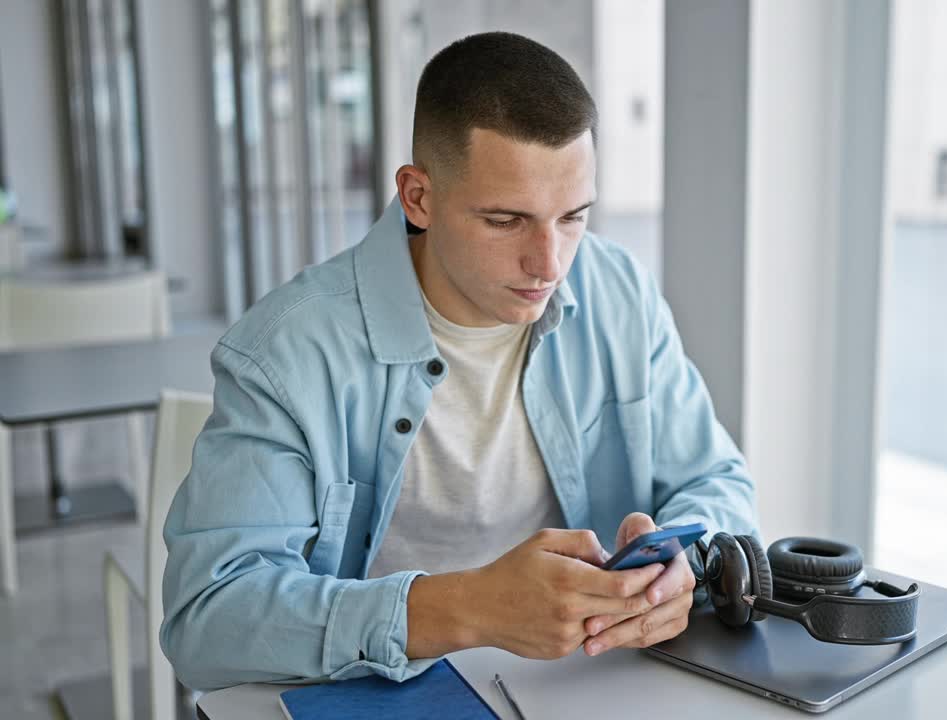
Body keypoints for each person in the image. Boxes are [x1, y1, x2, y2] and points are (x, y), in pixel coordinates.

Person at [161, 31, 756, 691]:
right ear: (418, 197)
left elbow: (718, 482)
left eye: (573, 217)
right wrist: (468, 608)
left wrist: (689, 568)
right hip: (374, 694)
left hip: (579, 687)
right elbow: (207, 622)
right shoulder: (286, 352)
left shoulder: (619, 293)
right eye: (506, 221)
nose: (550, 263)